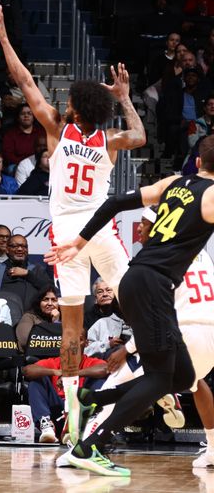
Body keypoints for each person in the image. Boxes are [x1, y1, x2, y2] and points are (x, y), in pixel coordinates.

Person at [0, 5, 146, 447]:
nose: (63, 103)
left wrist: (4, 41)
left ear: (76, 107)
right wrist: (124, 97)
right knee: (137, 302)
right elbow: (138, 136)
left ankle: (74, 418)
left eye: (69, 100)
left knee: (72, 329)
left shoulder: (57, 131)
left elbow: (25, 82)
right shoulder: (110, 139)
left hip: (68, 235)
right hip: (102, 229)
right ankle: (147, 363)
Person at [45, 136, 214, 476]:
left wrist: (78, 243)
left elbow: (113, 204)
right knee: (159, 377)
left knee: (183, 376)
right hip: (154, 285)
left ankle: (98, 399)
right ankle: (88, 448)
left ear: (197, 162)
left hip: (138, 279)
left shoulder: (174, 183)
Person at [23, 330, 107, 444]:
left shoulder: (91, 362)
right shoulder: (54, 362)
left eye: (80, 339)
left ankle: (88, 426)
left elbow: (105, 369)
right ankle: (47, 426)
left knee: (100, 380)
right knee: (36, 381)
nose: (73, 343)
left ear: (86, 343)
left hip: (80, 412)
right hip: (57, 411)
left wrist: (72, 374)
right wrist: (55, 372)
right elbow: (27, 371)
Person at [16, 285, 61, 349]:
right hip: (34, 356)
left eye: (54, 300)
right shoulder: (29, 317)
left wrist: (56, 322)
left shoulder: (64, 319)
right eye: (46, 299)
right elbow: (24, 341)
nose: (50, 303)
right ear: (39, 302)